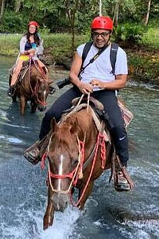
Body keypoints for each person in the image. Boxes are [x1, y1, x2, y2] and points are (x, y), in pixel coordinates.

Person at [24, 16, 132, 191]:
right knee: (51, 114)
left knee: (119, 127)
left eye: (104, 34)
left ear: (110, 34)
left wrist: (104, 84)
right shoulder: (83, 49)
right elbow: (73, 74)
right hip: (80, 88)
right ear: (92, 34)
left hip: (105, 91)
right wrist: (80, 84)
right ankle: (41, 147)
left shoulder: (118, 53)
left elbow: (121, 81)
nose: (99, 37)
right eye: (96, 34)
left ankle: (121, 167)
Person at [7, 21, 55, 96]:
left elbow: (39, 50)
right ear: (28, 28)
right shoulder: (24, 38)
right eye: (30, 27)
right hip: (24, 57)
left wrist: (34, 49)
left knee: (45, 69)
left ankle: (46, 85)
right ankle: (12, 87)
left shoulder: (38, 38)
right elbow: (22, 51)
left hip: (34, 57)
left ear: (36, 29)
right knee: (16, 70)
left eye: (33, 28)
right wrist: (29, 51)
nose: (32, 29)